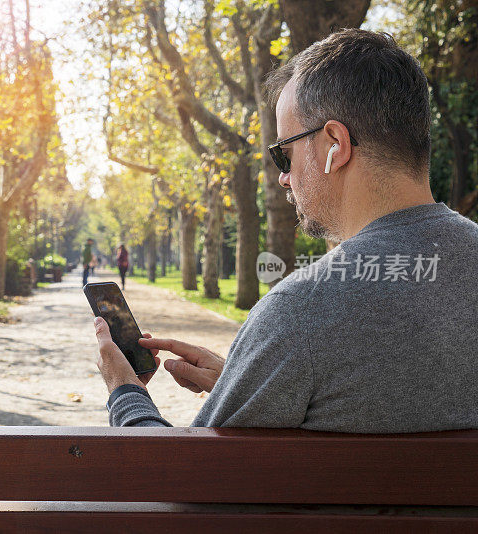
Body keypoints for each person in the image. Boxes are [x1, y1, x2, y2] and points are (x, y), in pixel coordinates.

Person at [94, 29, 478, 433]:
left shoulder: (302, 311)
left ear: (335, 144)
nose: (283, 178)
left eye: (284, 153)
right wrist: (244, 381)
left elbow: (179, 486)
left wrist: (124, 391)